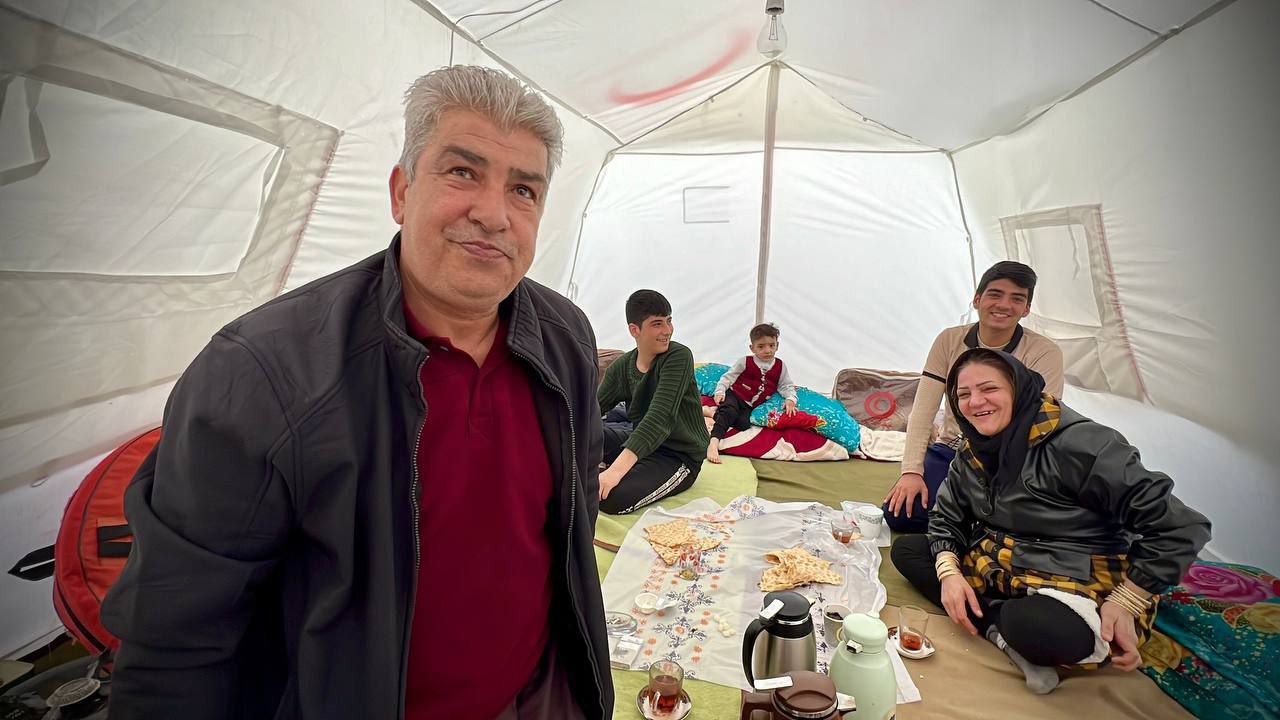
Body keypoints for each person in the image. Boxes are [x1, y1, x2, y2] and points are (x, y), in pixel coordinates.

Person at [101, 66, 612, 720]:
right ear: (401, 192)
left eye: (523, 189)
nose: (493, 214)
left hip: (537, 697)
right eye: (462, 172)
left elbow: (574, 507)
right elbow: (176, 645)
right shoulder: (262, 374)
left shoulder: (565, 337)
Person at [890, 348, 1210, 694]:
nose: (975, 402)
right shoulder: (973, 449)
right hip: (998, 563)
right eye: (963, 394)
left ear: (1018, 389)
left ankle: (1006, 624)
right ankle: (997, 630)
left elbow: (1182, 528)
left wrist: (1127, 600)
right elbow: (946, 514)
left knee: (1034, 627)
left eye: (989, 389)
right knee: (908, 551)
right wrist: (950, 574)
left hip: (1077, 573)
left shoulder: (1084, 444)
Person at [882, 261, 1064, 533]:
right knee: (902, 515)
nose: (1004, 305)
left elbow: (1042, 421)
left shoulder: (1044, 352)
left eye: (1017, 299)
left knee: (1015, 524)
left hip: (1009, 459)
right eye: (995, 294)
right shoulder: (949, 341)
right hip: (952, 449)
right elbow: (923, 411)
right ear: (977, 299)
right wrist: (911, 471)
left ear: (1026, 309)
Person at [596, 290, 710, 515]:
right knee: (583, 434)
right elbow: (590, 410)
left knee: (611, 498)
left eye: (669, 320)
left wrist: (615, 472)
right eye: (657, 323)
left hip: (677, 455)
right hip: (639, 443)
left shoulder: (678, 356)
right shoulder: (622, 367)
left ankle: (594, 474)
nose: (667, 330)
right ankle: (588, 473)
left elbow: (659, 418)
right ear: (634, 330)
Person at [706, 322, 799, 464]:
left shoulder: (780, 366)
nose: (767, 350)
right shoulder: (745, 362)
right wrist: (720, 391)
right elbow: (727, 378)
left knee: (743, 424)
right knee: (729, 412)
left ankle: (711, 412)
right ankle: (713, 443)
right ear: (752, 348)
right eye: (761, 346)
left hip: (750, 405)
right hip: (735, 395)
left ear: (777, 345)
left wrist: (790, 399)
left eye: (771, 345)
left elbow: (786, 385)